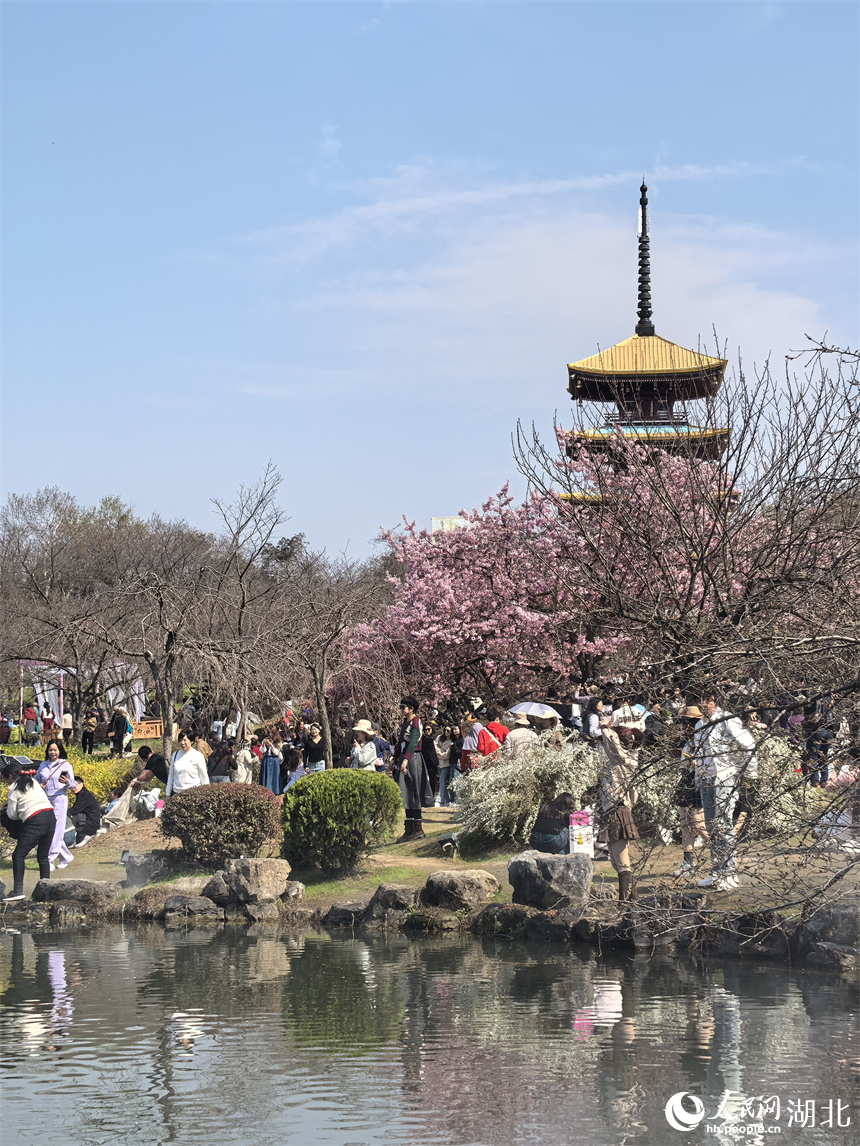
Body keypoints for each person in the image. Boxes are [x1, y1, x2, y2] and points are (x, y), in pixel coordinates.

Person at [687, 694, 757, 891]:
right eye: (697, 702)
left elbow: (748, 744)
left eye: (703, 701)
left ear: (711, 699)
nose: (700, 705)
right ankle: (717, 870)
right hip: (706, 778)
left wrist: (748, 772)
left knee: (723, 824)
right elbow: (700, 752)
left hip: (725, 776)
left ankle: (728, 872)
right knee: (711, 826)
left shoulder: (728, 720)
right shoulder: (699, 724)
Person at [597, 711, 642, 902]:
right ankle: (632, 901)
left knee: (622, 862)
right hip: (611, 809)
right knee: (616, 861)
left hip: (618, 809)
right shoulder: (616, 760)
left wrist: (607, 730)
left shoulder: (626, 759)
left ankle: (624, 904)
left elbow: (614, 748)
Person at [1, 760, 56, 900]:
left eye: (5, 779)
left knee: (18, 855)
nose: (5, 783)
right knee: (42, 857)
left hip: (35, 821)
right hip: (50, 817)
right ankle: (46, 892)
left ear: (10, 777)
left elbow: (11, 815)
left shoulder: (13, 788)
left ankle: (18, 891)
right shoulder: (33, 782)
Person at [671, 706, 708, 878]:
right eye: (685, 722)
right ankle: (687, 862)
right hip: (686, 779)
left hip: (699, 780)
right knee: (685, 823)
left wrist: (698, 764)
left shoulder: (705, 739)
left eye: (690, 722)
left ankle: (722, 854)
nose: (687, 725)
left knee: (698, 823)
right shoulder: (685, 740)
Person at [394, 695, 433, 841]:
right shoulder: (406, 722)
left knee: (414, 791)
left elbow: (413, 742)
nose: (401, 709)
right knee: (406, 791)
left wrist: (405, 759)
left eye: (403, 707)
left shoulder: (416, 722)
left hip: (413, 758)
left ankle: (417, 828)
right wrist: (395, 757)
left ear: (411, 709)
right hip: (404, 757)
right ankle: (409, 828)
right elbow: (400, 742)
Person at [35, 740, 75, 871]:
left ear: (59, 751)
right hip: (46, 800)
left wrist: (67, 782)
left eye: (55, 750)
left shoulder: (65, 765)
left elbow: (73, 786)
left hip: (59, 799)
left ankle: (49, 859)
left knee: (57, 830)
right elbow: (35, 780)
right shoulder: (43, 765)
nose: (52, 752)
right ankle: (66, 856)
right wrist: (39, 785)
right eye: (50, 750)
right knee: (49, 830)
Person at [165, 733, 210, 797]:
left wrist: (205, 794)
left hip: (194, 794)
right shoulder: (175, 755)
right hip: (177, 793)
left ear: (191, 741)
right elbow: (171, 776)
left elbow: (204, 777)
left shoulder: (198, 756)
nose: (182, 743)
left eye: (184, 740)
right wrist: (167, 794)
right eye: (180, 740)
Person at [68, 778, 101, 846]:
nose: (73, 788)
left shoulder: (84, 795)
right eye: (71, 786)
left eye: (75, 785)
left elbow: (75, 810)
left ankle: (86, 836)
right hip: (89, 823)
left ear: (81, 784)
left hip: (90, 825)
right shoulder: (82, 794)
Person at [434, 725, 456, 806]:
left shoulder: (451, 741)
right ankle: (446, 799)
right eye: (445, 730)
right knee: (442, 780)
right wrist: (440, 752)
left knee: (442, 780)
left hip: (446, 763)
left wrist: (439, 753)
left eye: (448, 731)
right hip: (439, 763)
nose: (446, 732)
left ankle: (439, 798)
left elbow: (447, 755)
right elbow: (435, 746)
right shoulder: (439, 737)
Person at [420, 721, 439, 794]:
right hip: (424, 762)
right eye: (425, 729)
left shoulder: (434, 738)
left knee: (432, 781)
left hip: (433, 763)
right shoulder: (422, 740)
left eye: (429, 729)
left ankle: (431, 795)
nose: (427, 731)